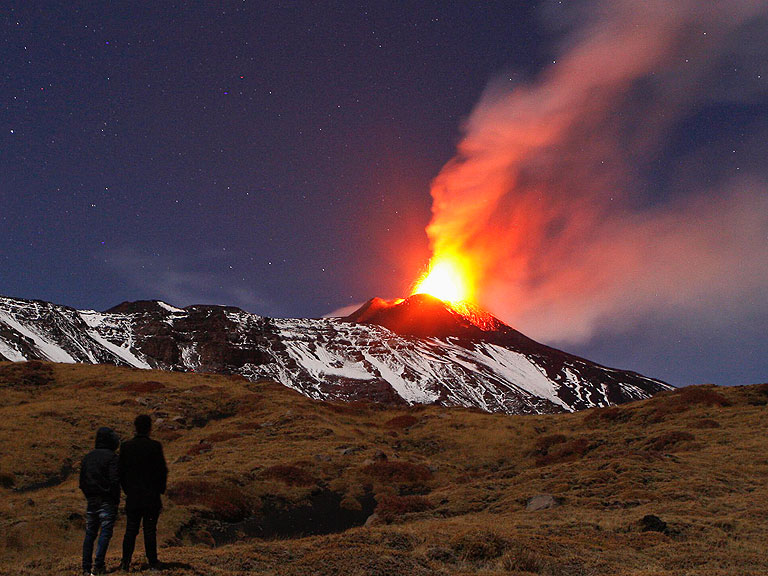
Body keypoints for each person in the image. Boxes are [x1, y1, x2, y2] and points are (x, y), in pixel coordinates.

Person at [119, 414, 168, 571]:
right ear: (149, 428)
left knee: (131, 530)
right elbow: (162, 471)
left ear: (135, 427)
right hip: (151, 496)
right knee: (149, 530)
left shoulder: (126, 447)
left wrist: (127, 490)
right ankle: (153, 562)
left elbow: (121, 472)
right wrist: (160, 489)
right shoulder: (155, 446)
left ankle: (125, 562)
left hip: (133, 496)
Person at [79, 426, 121, 576]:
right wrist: (114, 498)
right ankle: (98, 565)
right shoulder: (112, 457)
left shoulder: (88, 457)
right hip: (107, 499)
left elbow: (82, 481)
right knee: (105, 532)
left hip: (91, 499)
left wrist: (89, 494)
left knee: (90, 533)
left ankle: (86, 568)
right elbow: (115, 480)